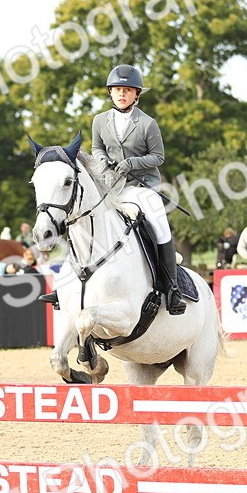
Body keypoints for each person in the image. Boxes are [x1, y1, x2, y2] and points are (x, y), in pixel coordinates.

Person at [90, 63, 185, 315]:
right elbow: (96, 148)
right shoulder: (100, 121)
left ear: (137, 94)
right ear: (110, 92)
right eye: (117, 89)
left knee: (159, 220)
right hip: (110, 186)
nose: (122, 94)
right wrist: (102, 162)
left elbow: (158, 157)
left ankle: (172, 287)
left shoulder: (147, 123)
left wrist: (132, 163)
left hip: (140, 185)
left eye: (128, 90)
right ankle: (72, 282)